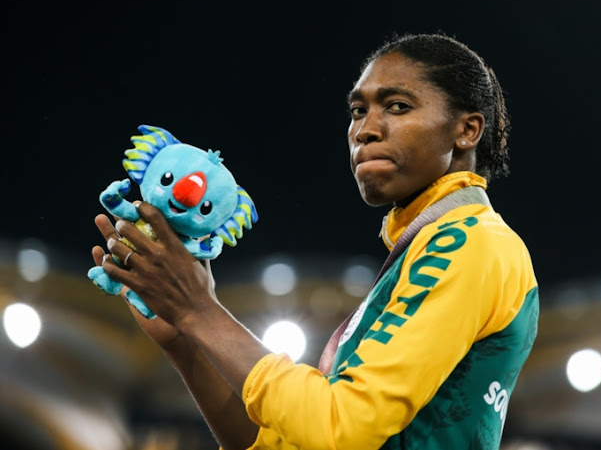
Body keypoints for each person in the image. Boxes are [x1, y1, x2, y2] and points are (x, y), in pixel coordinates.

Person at [91, 33, 539, 450]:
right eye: (358, 111)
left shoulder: (471, 241)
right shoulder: (425, 249)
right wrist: (184, 338)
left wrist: (201, 311)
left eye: (398, 107)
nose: (365, 129)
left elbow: (340, 428)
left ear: (467, 131)